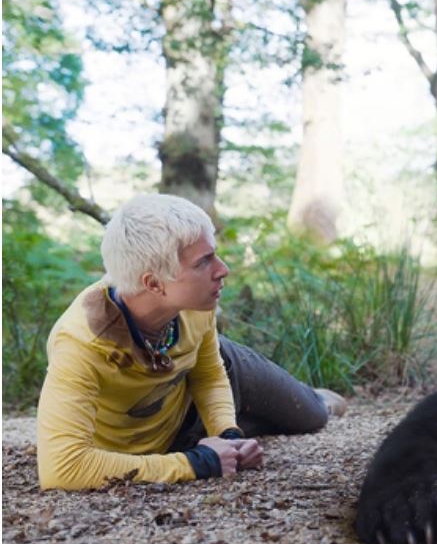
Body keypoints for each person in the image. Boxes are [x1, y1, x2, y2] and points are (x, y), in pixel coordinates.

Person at [36, 194, 347, 490]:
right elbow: (62, 467)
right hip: (166, 442)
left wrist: (226, 435)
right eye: (204, 262)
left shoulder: (196, 305)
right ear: (153, 283)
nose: (222, 270)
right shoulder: (81, 343)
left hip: (197, 396)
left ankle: (315, 399)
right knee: (268, 425)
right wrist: (198, 463)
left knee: (313, 417)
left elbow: (209, 372)